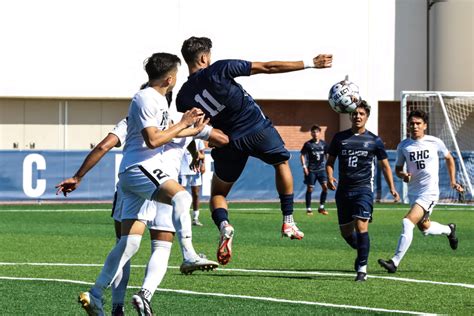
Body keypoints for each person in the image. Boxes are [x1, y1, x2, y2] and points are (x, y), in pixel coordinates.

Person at [176, 36, 333, 265]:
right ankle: (288, 219)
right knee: (281, 163)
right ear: (203, 57)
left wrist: (194, 152)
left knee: (218, 194)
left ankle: (224, 225)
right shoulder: (219, 69)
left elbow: (189, 127)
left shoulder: (183, 97)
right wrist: (310, 63)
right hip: (257, 129)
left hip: (228, 143)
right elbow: (267, 67)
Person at [56, 110, 228, 314]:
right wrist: (195, 133)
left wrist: (78, 176)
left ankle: (115, 307)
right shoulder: (182, 119)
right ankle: (146, 293)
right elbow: (222, 139)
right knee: (161, 247)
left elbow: (104, 145)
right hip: (167, 188)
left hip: (136, 181)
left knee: (125, 245)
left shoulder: (135, 118)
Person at [76, 52, 208, 316]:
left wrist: (190, 130)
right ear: (170, 78)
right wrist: (183, 124)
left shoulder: (157, 101)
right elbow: (153, 140)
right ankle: (189, 254)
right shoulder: (146, 97)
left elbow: (165, 133)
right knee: (182, 197)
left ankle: (96, 293)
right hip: (141, 170)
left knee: (129, 243)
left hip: (135, 176)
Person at [378, 109, 462, 274]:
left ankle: (394, 262)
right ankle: (449, 229)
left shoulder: (434, 141)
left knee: (407, 222)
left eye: (418, 123)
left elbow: (449, 158)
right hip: (414, 192)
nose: (415, 126)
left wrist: (453, 181)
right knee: (425, 228)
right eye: (412, 124)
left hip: (429, 192)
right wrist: (403, 175)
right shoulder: (404, 145)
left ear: (425, 126)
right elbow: (397, 169)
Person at [326, 101, 399, 282]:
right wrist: (329, 176)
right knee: (346, 233)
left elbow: (385, 166)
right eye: (355, 113)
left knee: (361, 226)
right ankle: (361, 253)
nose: (358, 116)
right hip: (343, 191)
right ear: (350, 116)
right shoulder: (339, 138)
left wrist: (392, 187)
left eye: (361, 114)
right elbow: (329, 162)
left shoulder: (374, 140)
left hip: (364, 190)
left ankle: (362, 269)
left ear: (367, 116)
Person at [300, 124, 329, 216]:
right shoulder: (308, 144)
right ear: (311, 133)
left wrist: (328, 166)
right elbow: (302, 155)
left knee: (325, 187)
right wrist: (304, 166)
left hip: (322, 169)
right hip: (311, 170)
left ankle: (321, 207)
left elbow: (327, 155)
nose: (315, 133)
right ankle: (308, 208)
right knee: (310, 188)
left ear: (320, 133)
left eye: (317, 132)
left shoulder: (324, 144)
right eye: (313, 132)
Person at [179, 138, 206, 226]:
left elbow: (202, 152)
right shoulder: (182, 135)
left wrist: (203, 165)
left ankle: (195, 217)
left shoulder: (198, 137)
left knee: (196, 193)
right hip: (182, 169)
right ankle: (181, 217)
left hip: (195, 168)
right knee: (180, 194)